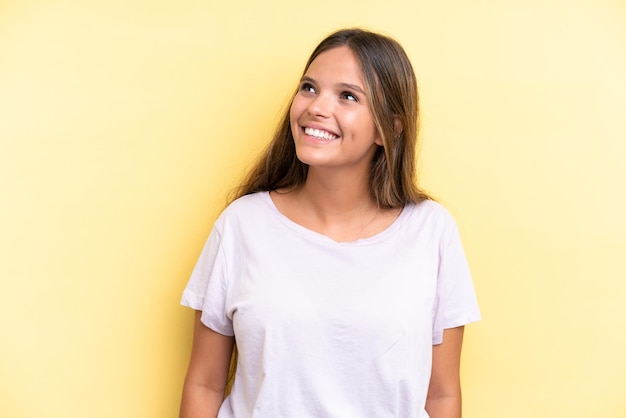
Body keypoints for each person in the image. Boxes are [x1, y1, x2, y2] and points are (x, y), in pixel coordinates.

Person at [179, 28, 480, 418]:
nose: (316, 108)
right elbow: (203, 384)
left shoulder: (432, 232)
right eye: (308, 88)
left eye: (348, 96)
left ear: (390, 128)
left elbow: (441, 396)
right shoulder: (241, 226)